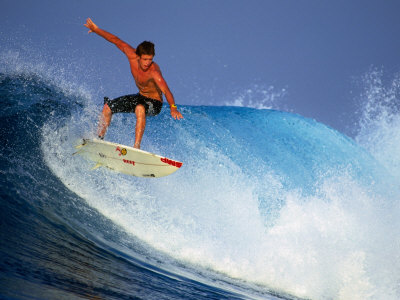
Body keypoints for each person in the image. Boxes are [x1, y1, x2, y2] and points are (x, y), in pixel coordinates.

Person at [84, 18, 183, 149]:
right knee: (108, 107)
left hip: (154, 103)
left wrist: (173, 107)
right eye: (145, 59)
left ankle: (136, 147)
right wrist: (97, 30)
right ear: (138, 56)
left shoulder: (154, 72)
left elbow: (167, 91)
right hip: (140, 97)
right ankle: (99, 140)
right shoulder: (131, 55)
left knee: (140, 108)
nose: (148, 62)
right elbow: (116, 40)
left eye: (150, 59)